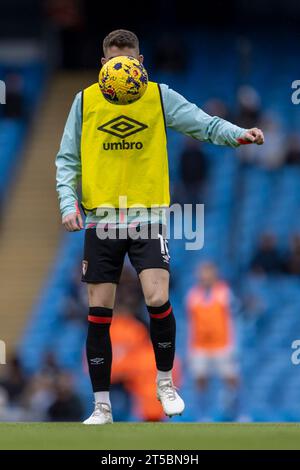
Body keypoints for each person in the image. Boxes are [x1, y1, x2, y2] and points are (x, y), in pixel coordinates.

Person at [55, 29, 264, 425]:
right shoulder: (84, 101)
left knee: (156, 296)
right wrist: (69, 203)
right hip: (102, 219)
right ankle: (101, 406)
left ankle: (165, 383)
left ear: (140, 63)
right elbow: (67, 160)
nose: (122, 68)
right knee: (99, 312)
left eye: (129, 62)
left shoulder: (159, 96)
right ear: (104, 65)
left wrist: (239, 134)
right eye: (115, 62)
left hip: (146, 217)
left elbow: (201, 123)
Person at [186, 262, 240, 419]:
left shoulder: (224, 292)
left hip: (222, 344)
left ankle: (238, 414)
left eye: (207, 273)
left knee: (231, 379)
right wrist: (189, 347)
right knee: (200, 381)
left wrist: (234, 345)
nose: (204, 277)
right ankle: (202, 415)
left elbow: (233, 319)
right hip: (200, 345)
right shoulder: (193, 295)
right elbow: (191, 323)